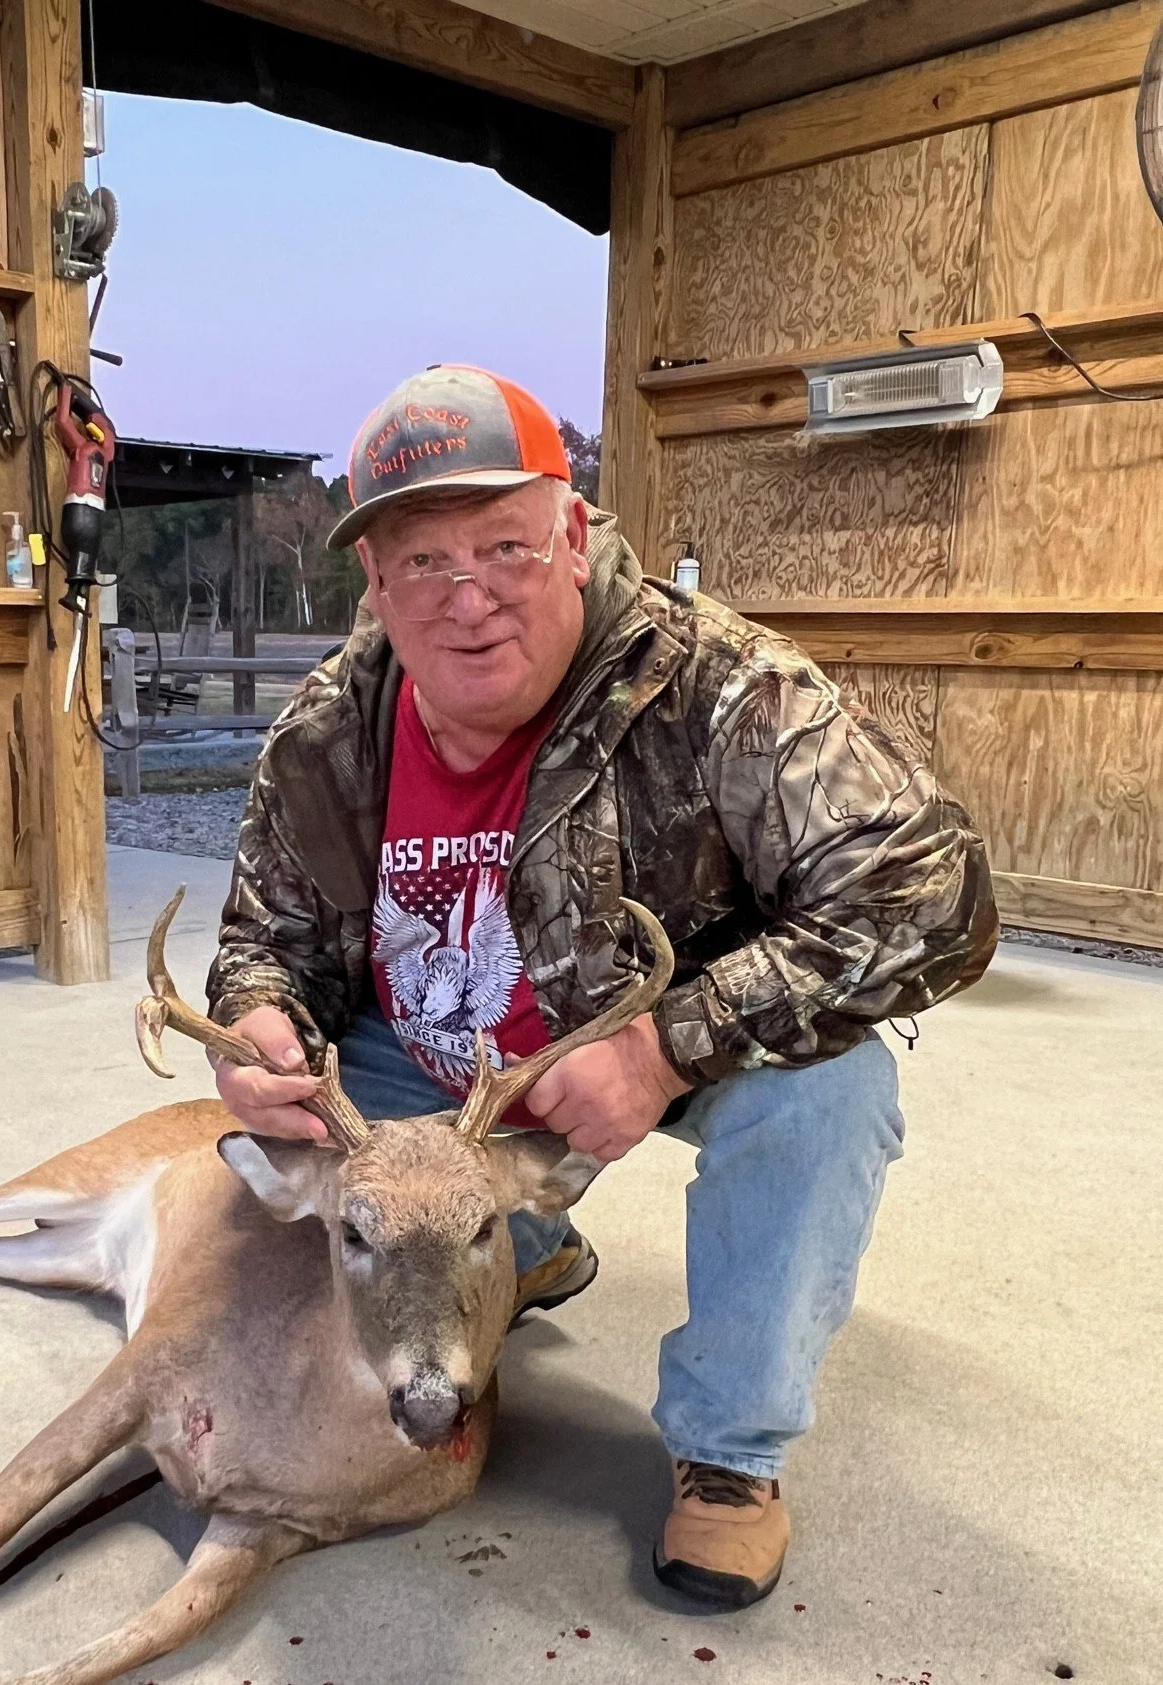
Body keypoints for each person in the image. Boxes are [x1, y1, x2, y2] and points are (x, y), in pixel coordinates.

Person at [205, 365, 998, 1611]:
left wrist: (671, 1047)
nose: (468, 599)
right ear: (375, 583)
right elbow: (268, 937)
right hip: (421, 1075)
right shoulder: (328, 729)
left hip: (647, 1049)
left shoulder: (718, 684)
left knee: (829, 1092)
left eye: (505, 547)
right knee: (267, 1221)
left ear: (572, 536)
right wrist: (255, 1019)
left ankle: (730, 1452)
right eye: (423, 562)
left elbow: (936, 892)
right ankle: (523, 1239)